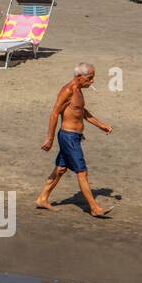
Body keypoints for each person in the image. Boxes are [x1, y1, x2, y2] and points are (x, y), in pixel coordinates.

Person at [38, 63, 113, 218]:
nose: (92, 81)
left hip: (74, 137)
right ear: (79, 77)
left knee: (60, 169)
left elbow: (82, 112)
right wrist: (49, 139)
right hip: (69, 137)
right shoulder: (67, 91)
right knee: (82, 172)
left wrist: (101, 125)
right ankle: (94, 208)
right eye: (90, 78)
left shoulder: (78, 91)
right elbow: (54, 114)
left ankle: (42, 199)